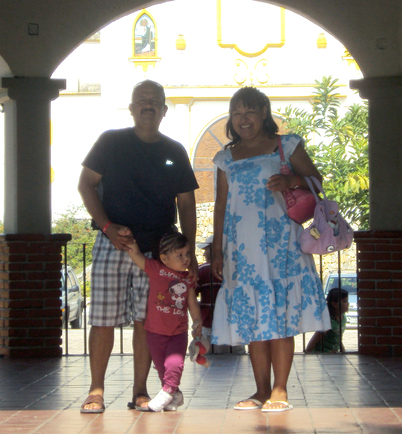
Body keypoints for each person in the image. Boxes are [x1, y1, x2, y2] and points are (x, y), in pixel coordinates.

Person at [77, 79, 199, 413]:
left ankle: (141, 390)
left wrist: (188, 255)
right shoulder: (110, 142)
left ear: (164, 110)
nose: (147, 105)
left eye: (154, 101)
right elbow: (85, 185)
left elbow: (187, 204)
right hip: (112, 245)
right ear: (131, 108)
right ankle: (96, 390)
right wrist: (106, 226)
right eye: (140, 100)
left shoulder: (175, 151)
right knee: (102, 319)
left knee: (148, 322)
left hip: (159, 253)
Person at [211, 86, 331, 413]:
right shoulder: (224, 159)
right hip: (241, 249)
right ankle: (260, 390)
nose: (243, 119)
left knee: (281, 315)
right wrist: (218, 250)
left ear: (264, 112)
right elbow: (220, 206)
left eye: (249, 111)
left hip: (283, 244)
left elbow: (317, 183)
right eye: (236, 113)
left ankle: (280, 389)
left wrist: (291, 181)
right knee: (255, 320)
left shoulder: (286, 145)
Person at [122, 230, 203, 411]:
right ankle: (175, 394)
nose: (186, 259)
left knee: (174, 363)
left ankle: (167, 392)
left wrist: (197, 322)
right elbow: (136, 255)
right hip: (154, 331)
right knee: (161, 367)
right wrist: (130, 241)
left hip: (178, 332)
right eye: (179, 255)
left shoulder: (187, 279)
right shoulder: (155, 269)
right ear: (164, 259)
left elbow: (192, 303)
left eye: (188, 254)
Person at [305, 288, 349, 353]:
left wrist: (343, 351)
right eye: (345, 301)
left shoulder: (343, 318)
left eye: (347, 301)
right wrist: (307, 354)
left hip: (333, 354)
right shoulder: (328, 321)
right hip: (322, 354)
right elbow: (313, 342)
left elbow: (338, 337)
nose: (348, 304)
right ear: (334, 304)